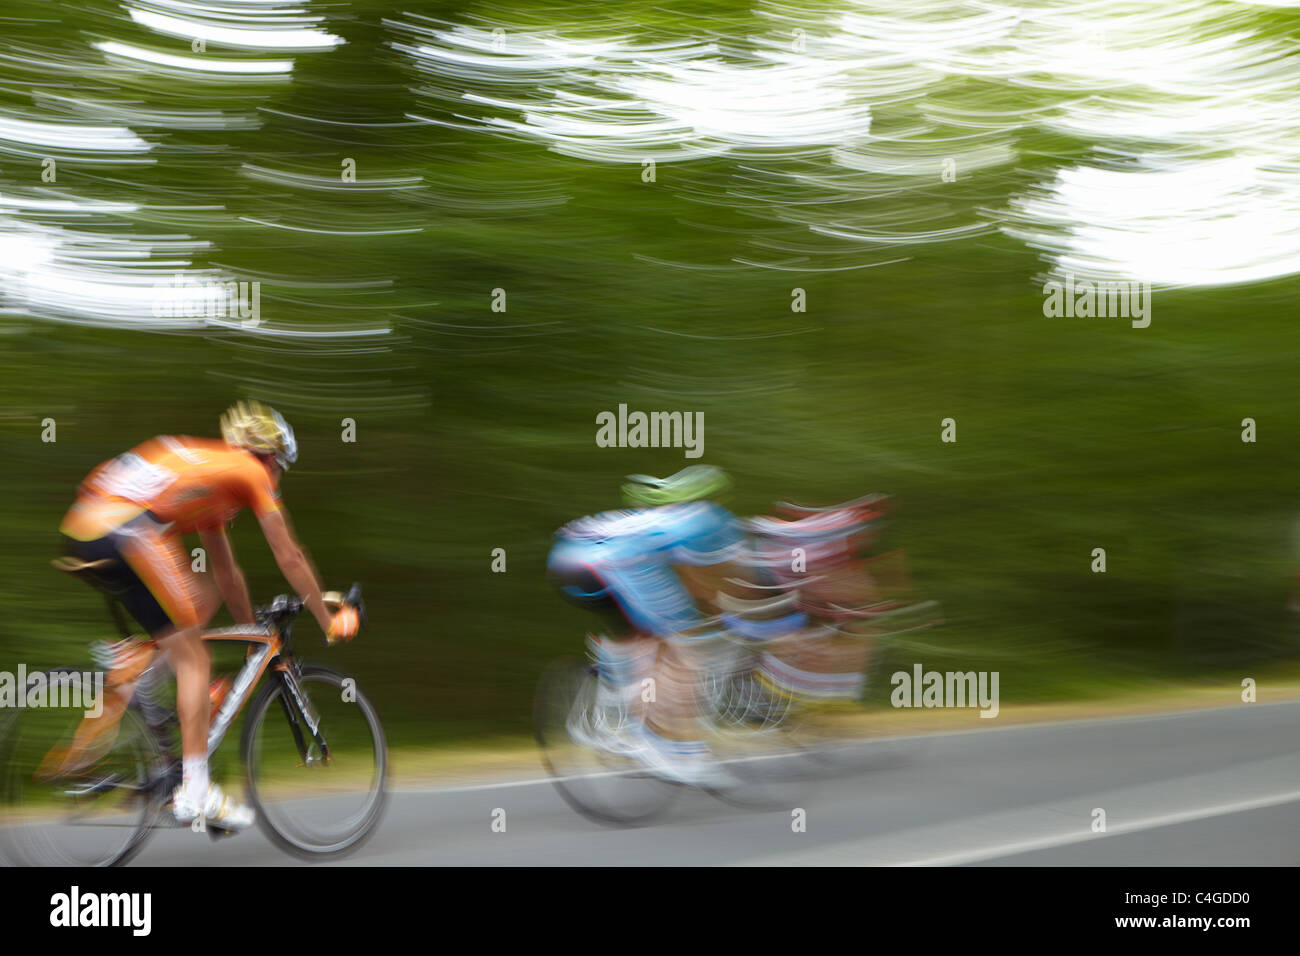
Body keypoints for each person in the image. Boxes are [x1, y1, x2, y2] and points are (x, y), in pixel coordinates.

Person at [55, 400, 359, 830]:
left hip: (85, 529)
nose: (276, 480)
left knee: (201, 598)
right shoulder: (249, 471)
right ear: (269, 457)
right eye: (280, 469)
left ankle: (131, 686)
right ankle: (194, 792)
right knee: (195, 657)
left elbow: (227, 574)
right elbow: (289, 555)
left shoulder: (210, 478)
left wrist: (253, 631)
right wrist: (328, 623)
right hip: (126, 527)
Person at [547, 465, 747, 787]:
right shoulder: (706, 518)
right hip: (614, 566)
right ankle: (671, 749)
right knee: (684, 650)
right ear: (717, 497)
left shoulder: (652, 519)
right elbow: (704, 582)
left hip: (566, 562)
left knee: (640, 635)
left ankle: (605, 717)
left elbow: (683, 577)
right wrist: (726, 613)